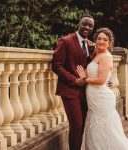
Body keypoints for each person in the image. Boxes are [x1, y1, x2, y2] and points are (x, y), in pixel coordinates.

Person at [76, 27, 128, 150]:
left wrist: (84, 78)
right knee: (95, 126)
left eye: (105, 39)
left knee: (105, 128)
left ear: (110, 42)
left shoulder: (106, 57)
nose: (101, 41)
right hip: (94, 97)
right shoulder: (96, 53)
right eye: (99, 38)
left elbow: (100, 80)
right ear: (95, 40)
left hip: (101, 97)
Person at [52, 15, 95, 150]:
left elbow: (94, 67)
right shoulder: (66, 41)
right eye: (84, 24)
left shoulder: (90, 45)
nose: (87, 27)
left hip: (86, 92)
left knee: (83, 125)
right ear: (79, 23)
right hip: (70, 90)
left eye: (90, 26)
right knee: (76, 124)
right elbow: (56, 65)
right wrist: (74, 80)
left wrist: (106, 82)